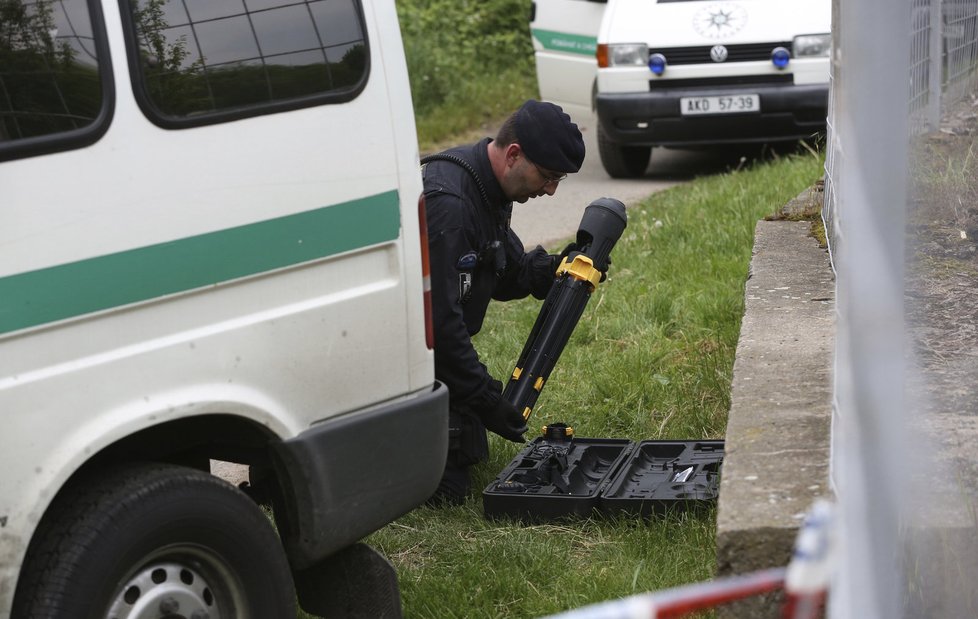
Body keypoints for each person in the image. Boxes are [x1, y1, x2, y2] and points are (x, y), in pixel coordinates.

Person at [422, 100, 587, 505]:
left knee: (468, 449)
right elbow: (440, 325)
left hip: (427, 359)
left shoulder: (487, 187)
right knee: (446, 491)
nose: (550, 190)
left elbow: (505, 270)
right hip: (397, 361)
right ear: (514, 155)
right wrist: (487, 399)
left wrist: (555, 269)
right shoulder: (451, 204)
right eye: (548, 177)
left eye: (558, 181)